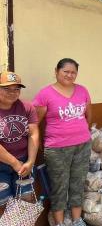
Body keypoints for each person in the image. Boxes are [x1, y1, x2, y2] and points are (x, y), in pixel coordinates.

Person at [33, 58, 92, 226]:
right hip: (57, 148)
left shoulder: (82, 90)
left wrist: (84, 132)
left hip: (82, 145)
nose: (70, 75)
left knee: (78, 183)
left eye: (73, 72)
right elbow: (35, 122)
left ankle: (76, 220)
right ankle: (59, 223)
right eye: (66, 71)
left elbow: (88, 114)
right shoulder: (45, 94)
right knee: (59, 186)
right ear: (56, 71)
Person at [0, 72, 40, 213]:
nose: (12, 92)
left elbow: (33, 134)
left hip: (24, 161)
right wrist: (15, 163)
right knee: (2, 201)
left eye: (16, 89)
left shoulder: (27, 107)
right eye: (6, 88)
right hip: (2, 165)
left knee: (26, 199)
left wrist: (30, 161)